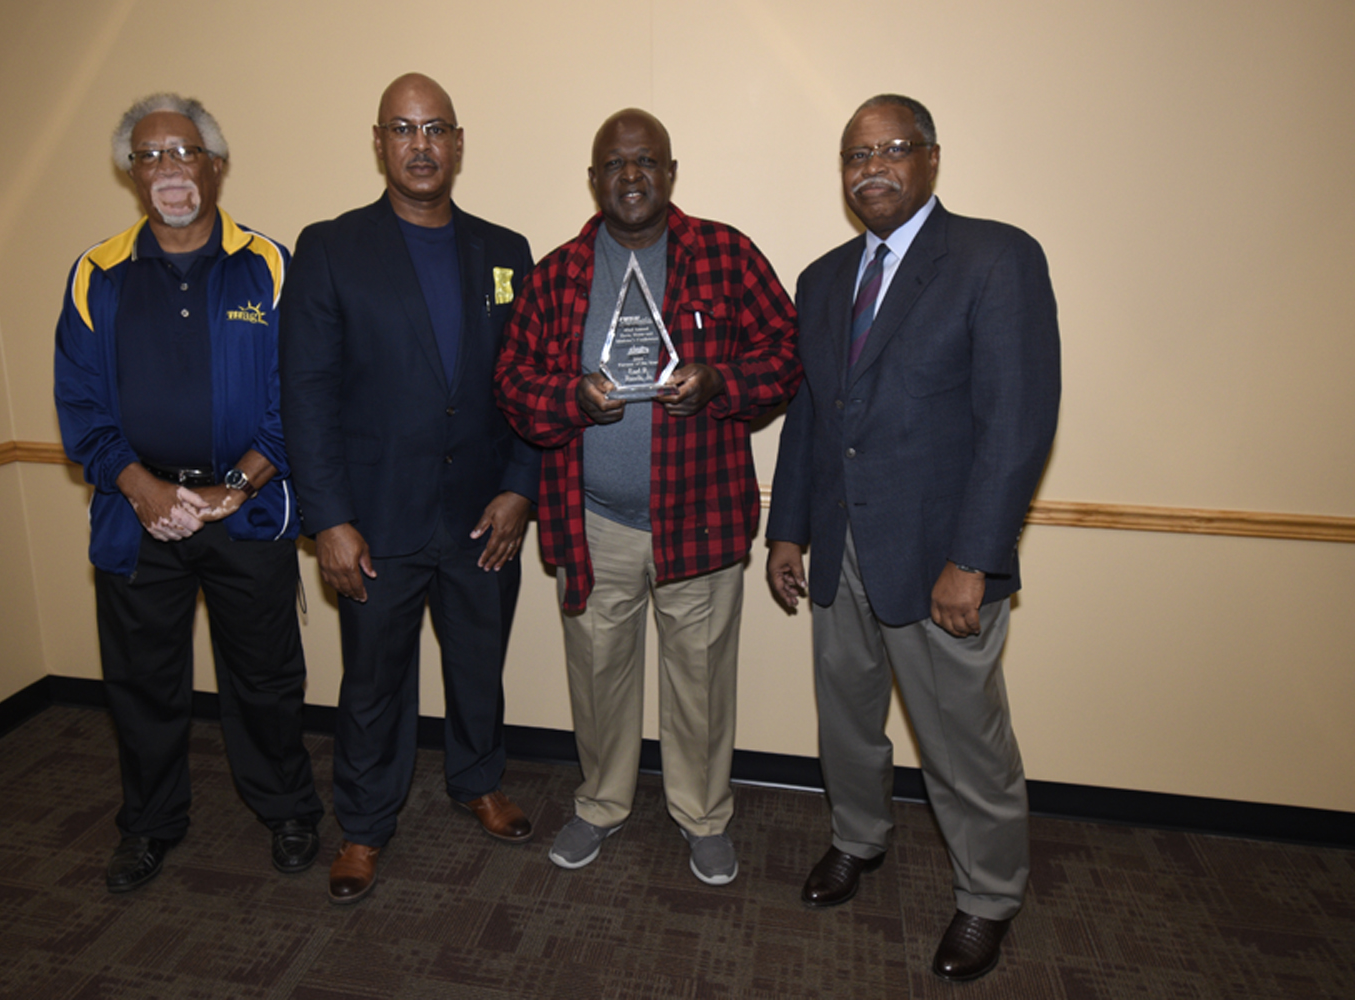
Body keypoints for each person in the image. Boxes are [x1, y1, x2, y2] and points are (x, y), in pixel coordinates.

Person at [766, 94, 1061, 980]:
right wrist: (787, 532)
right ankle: (859, 839)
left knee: (964, 739)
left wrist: (974, 558)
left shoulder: (994, 258)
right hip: (841, 553)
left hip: (942, 560)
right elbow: (813, 419)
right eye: (857, 153)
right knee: (847, 723)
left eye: (893, 149)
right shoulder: (823, 279)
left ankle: (988, 896)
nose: (873, 167)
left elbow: (1016, 422)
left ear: (932, 159)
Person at [495, 109, 800, 886]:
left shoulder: (725, 256)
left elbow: (787, 354)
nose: (631, 177)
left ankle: (703, 816)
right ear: (593, 179)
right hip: (592, 525)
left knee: (699, 682)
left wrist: (722, 384)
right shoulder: (560, 271)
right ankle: (600, 804)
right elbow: (512, 382)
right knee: (599, 680)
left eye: (646, 162)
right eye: (614, 164)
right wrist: (570, 397)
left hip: (697, 518)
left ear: (671, 172)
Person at [279, 73, 540, 905]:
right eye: (403, 129)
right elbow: (307, 394)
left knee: (477, 667)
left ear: (458, 143)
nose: (421, 145)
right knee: (373, 684)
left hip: (482, 519)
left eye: (436, 129)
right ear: (380, 142)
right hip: (375, 522)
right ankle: (362, 826)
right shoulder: (329, 246)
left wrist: (521, 489)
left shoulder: (506, 252)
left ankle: (478, 781)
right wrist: (330, 520)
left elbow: (531, 385)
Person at [54, 93, 324, 893]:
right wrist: (140, 488)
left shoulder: (271, 266)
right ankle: (149, 824)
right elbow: (82, 407)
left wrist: (235, 485)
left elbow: (300, 397)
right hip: (137, 520)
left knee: (267, 680)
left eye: (183, 152)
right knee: (140, 685)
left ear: (215, 163)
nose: (169, 169)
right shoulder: (95, 274)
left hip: (249, 513)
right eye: (149, 156)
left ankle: (288, 810)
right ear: (130, 174)